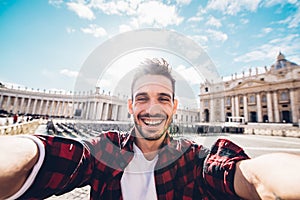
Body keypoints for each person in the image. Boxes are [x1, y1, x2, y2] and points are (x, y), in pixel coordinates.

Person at [0, 58, 300, 200]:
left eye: (163, 99)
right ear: (130, 105)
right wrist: (19, 151)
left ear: (174, 106)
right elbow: (46, 157)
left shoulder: (195, 160)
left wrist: (278, 177)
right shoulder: (105, 151)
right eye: (142, 98)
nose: (153, 108)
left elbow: (247, 174)